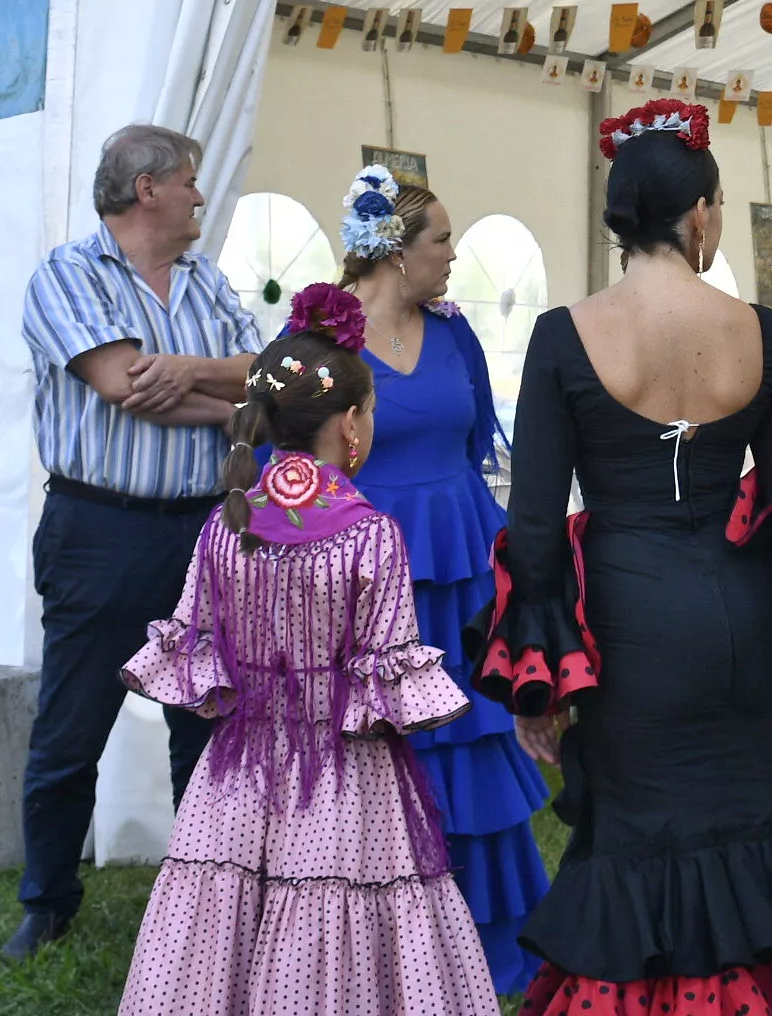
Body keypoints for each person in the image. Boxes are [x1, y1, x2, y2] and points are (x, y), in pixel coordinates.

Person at [469, 97, 772, 1013]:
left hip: (632, 627)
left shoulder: (564, 335)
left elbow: (537, 526)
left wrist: (544, 677)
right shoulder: (765, 331)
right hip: (744, 618)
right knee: (749, 830)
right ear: (702, 212)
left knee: (635, 846)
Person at [117, 284, 499, 1015]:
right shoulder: (369, 536)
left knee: (218, 932)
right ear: (350, 423)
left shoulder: (226, 527)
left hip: (236, 784)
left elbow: (198, 664)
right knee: (343, 927)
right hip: (346, 788)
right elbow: (389, 686)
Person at [8, 124, 265, 961]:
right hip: (98, 530)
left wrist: (190, 372)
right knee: (72, 728)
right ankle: (47, 901)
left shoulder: (208, 281)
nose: (200, 194)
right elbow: (124, 386)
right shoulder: (67, 275)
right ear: (147, 189)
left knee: (207, 722)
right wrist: (230, 400)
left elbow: (267, 376)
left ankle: (205, 897)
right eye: (190, 180)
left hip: (204, 530)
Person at [333, 165, 550, 993]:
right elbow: (300, 465)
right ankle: (384, 956)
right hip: (368, 574)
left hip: (459, 566)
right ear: (394, 251)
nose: (454, 254)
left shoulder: (455, 332)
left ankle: (489, 949)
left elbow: (475, 450)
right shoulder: (325, 338)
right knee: (387, 754)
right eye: (442, 240)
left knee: (470, 743)